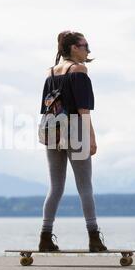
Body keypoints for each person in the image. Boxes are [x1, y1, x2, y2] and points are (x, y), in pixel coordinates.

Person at [38, 31, 107, 252]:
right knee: (85, 186)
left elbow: (45, 108)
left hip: (52, 131)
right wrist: (92, 137)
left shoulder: (50, 73)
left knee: (55, 187)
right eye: (85, 45)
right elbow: (83, 109)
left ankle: (45, 237)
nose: (88, 50)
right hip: (75, 130)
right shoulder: (79, 71)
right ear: (73, 48)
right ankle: (94, 238)